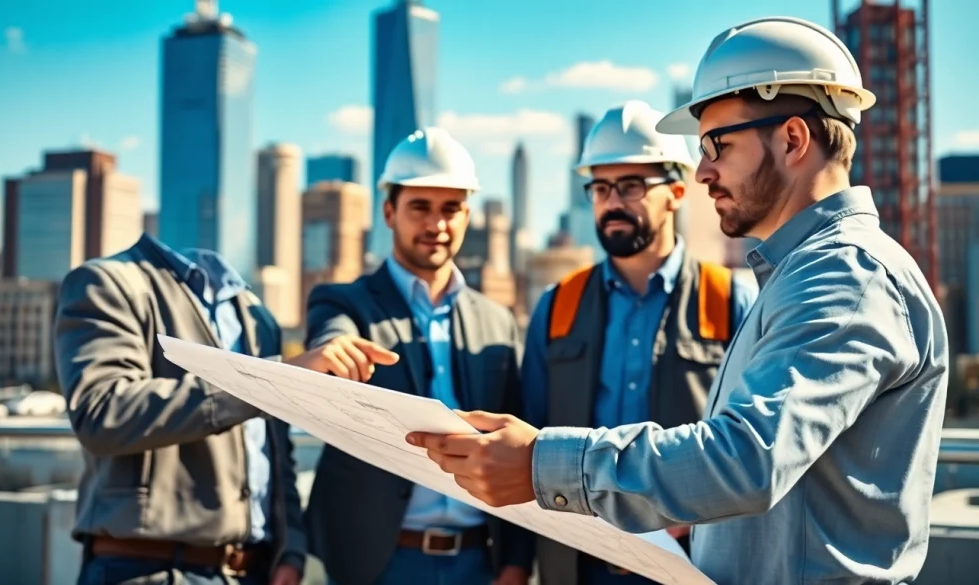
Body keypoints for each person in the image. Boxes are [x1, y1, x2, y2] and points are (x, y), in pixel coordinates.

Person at [406, 16, 949, 585]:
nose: (704, 171)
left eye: (718, 144)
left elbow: (746, 459)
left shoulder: (845, 275)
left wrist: (543, 463)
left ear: (793, 139)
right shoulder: (797, 276)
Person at [55, 233, 398, 585]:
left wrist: (290, 549)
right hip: (148, 568)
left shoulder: (255, 313)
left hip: (254, 571)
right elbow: (102, 413)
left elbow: (275, 453)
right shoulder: (109, 282)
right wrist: (270, 380)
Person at [519, 100, 757, 585]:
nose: (612, 202)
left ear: (674, 192)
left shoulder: (730, 298)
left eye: (630, 186)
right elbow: (528, 437)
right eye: (601, 188)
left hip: (689, 564)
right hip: (577, 564)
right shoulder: (556, 306)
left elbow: (751, 444)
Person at [302, 127, 532, 585]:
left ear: (468, 215)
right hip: (379, 563)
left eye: (451, 209)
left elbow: (518, 431)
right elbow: (333, 335)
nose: (436, 225)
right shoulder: (344, 302)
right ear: (389, 212)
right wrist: (334, 350)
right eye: (420, 208)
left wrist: (517, 561)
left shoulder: (497, 321)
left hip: (478, 562)